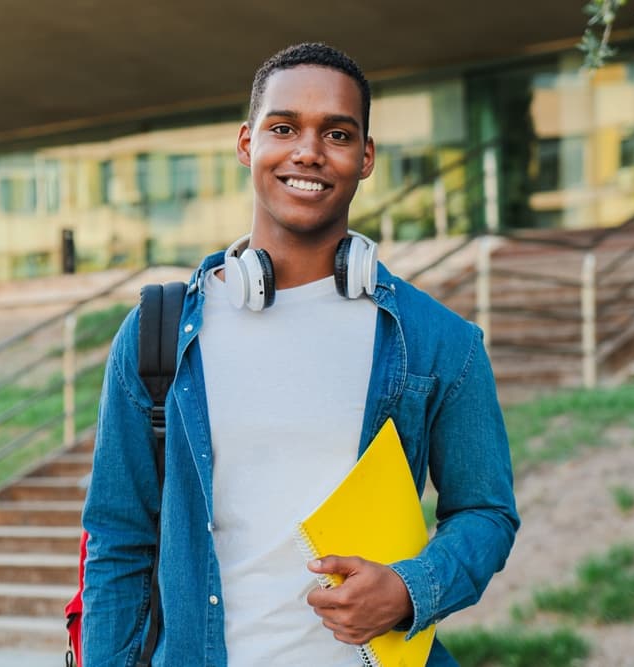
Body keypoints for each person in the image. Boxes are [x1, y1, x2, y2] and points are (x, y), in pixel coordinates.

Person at [81, 42, 519, 667]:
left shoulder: (440, 342)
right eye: (283, 127)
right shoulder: (158, 334)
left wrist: (407, 589)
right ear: (246, 144)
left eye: (336, 133)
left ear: (365, 158)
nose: (307, 151)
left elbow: (486, 513)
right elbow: (118, 539)